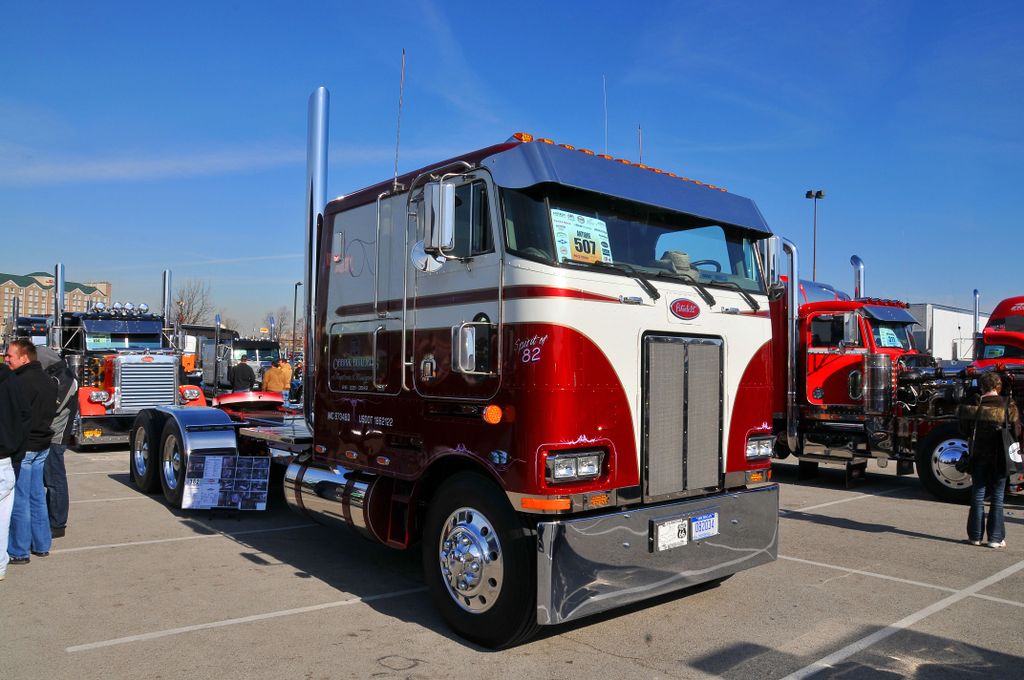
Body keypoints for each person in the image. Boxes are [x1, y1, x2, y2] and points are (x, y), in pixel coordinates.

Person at [5, 339, 57, 565]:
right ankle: (42, 544)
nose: (6, 359)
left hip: (26, 448)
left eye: (10, 356)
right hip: (42, 445)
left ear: (24, 358)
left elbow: (17, 417)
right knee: (36, 496)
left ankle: (19, 550)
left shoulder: (19, 382)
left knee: (21, 499)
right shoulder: (48, 380)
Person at [959, 372, 1021, 548]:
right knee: (998, 497)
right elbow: (1016, 432)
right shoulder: (1008, 405)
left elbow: (963, 430)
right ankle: (995, 539)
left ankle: (975, 537)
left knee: (978, 495)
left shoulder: (973, 405)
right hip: (1000, 456)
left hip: (978, 455)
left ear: (981, 386)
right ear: (998, 386)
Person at [36, 346, 78, 538]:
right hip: (48, 435)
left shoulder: (65, 378)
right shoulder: (58, 375)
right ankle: (52, 519)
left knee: (55, 480)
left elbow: (52, 407)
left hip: (55, 437)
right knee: (51, 480)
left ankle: (57, 523)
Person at [0, 363, 31, 580]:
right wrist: (16, 455)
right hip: (6, 461)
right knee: (3, 519)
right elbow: (24, 418)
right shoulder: (12, 381)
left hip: (6, 460)